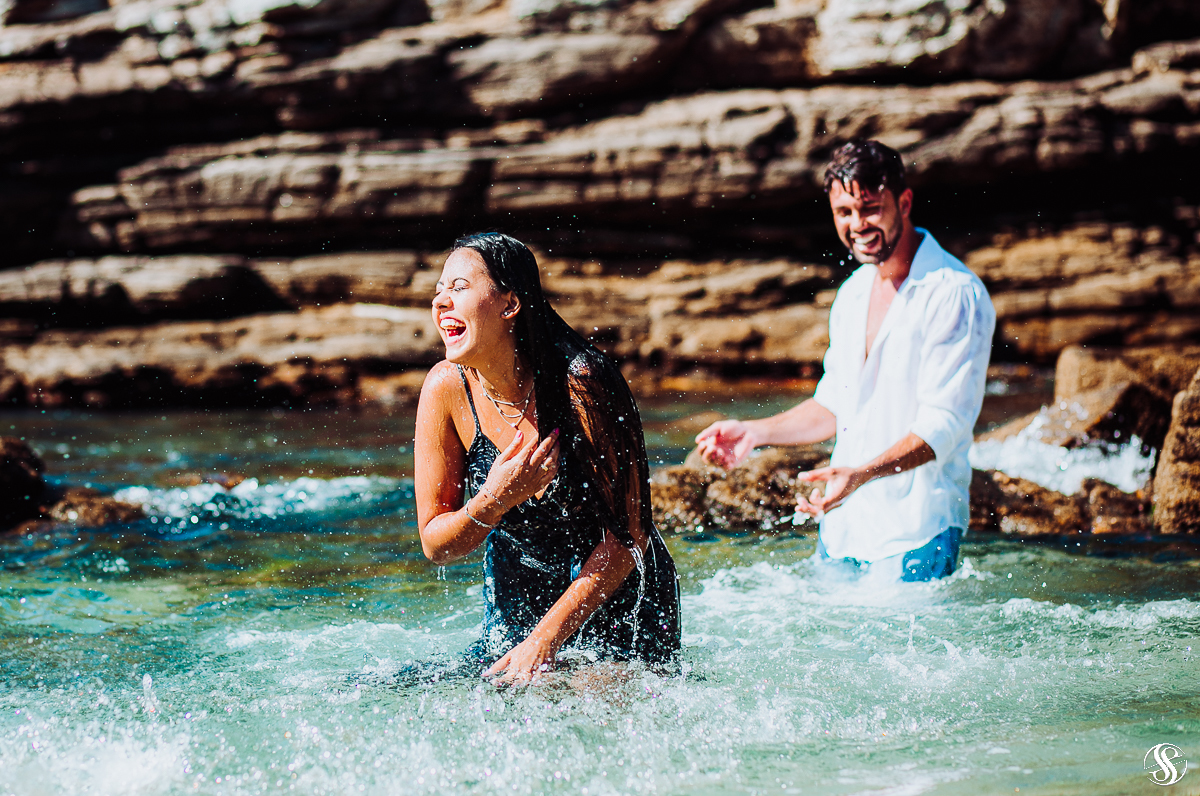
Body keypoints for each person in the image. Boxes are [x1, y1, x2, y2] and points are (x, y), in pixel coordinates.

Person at [695, 139, 996, 581]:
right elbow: (835, 405)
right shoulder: (853, 292)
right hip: (842, 533)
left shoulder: (954, 293)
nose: (858, 225)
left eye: (870, 208)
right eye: (844, 212)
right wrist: (754, 432)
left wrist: (863, 474)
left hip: (917, 536)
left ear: (905, 201)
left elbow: (946, 427)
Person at [414, 232, 681, 684]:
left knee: (584, 707)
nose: (441, 301)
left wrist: (544, 641)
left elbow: (630, 534)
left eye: (458, 288)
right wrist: (493, 500)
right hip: (519, 604)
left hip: (617, 602)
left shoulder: (584, 383)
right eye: (439, 289)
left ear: (510, 304)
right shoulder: (446, 389)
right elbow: (437, 545)